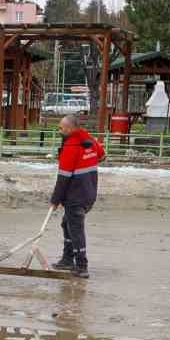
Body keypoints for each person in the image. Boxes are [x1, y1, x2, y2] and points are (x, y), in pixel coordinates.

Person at [50, 113, 104, 279]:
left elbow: (63, 178)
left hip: (76, 196)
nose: (59, 131)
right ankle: (67, 259)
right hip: (89, 193)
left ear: (69, 128)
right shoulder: (89, 140)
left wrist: (55, 200)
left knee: (75, 229)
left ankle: (81, 266)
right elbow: (102, 156)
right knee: (67, 223)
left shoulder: (71, 147)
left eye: (61, 128)